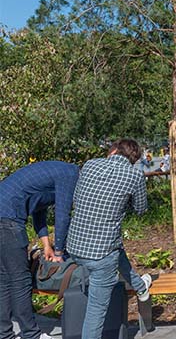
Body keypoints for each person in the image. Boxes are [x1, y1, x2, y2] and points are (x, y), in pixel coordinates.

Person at [66, 139, 151, 339]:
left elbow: (77, 199)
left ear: (113, 150)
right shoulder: (135, 174)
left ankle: (140, 287)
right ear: (134, 159)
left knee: (115, 245)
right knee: (95, 312)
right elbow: (141, 210)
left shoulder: (90, 164)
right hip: (101, 255)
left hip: (75, 246)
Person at [0, 161, 79, 339]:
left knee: (4, 279)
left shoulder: (54, 174)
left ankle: (4, 334)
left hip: (4, 215)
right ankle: (31, 334)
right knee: (21, 279)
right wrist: (59, 252)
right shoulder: (71, 174)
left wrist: (46, 245)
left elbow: (38, 211)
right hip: (8, 220)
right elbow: (62, 214)